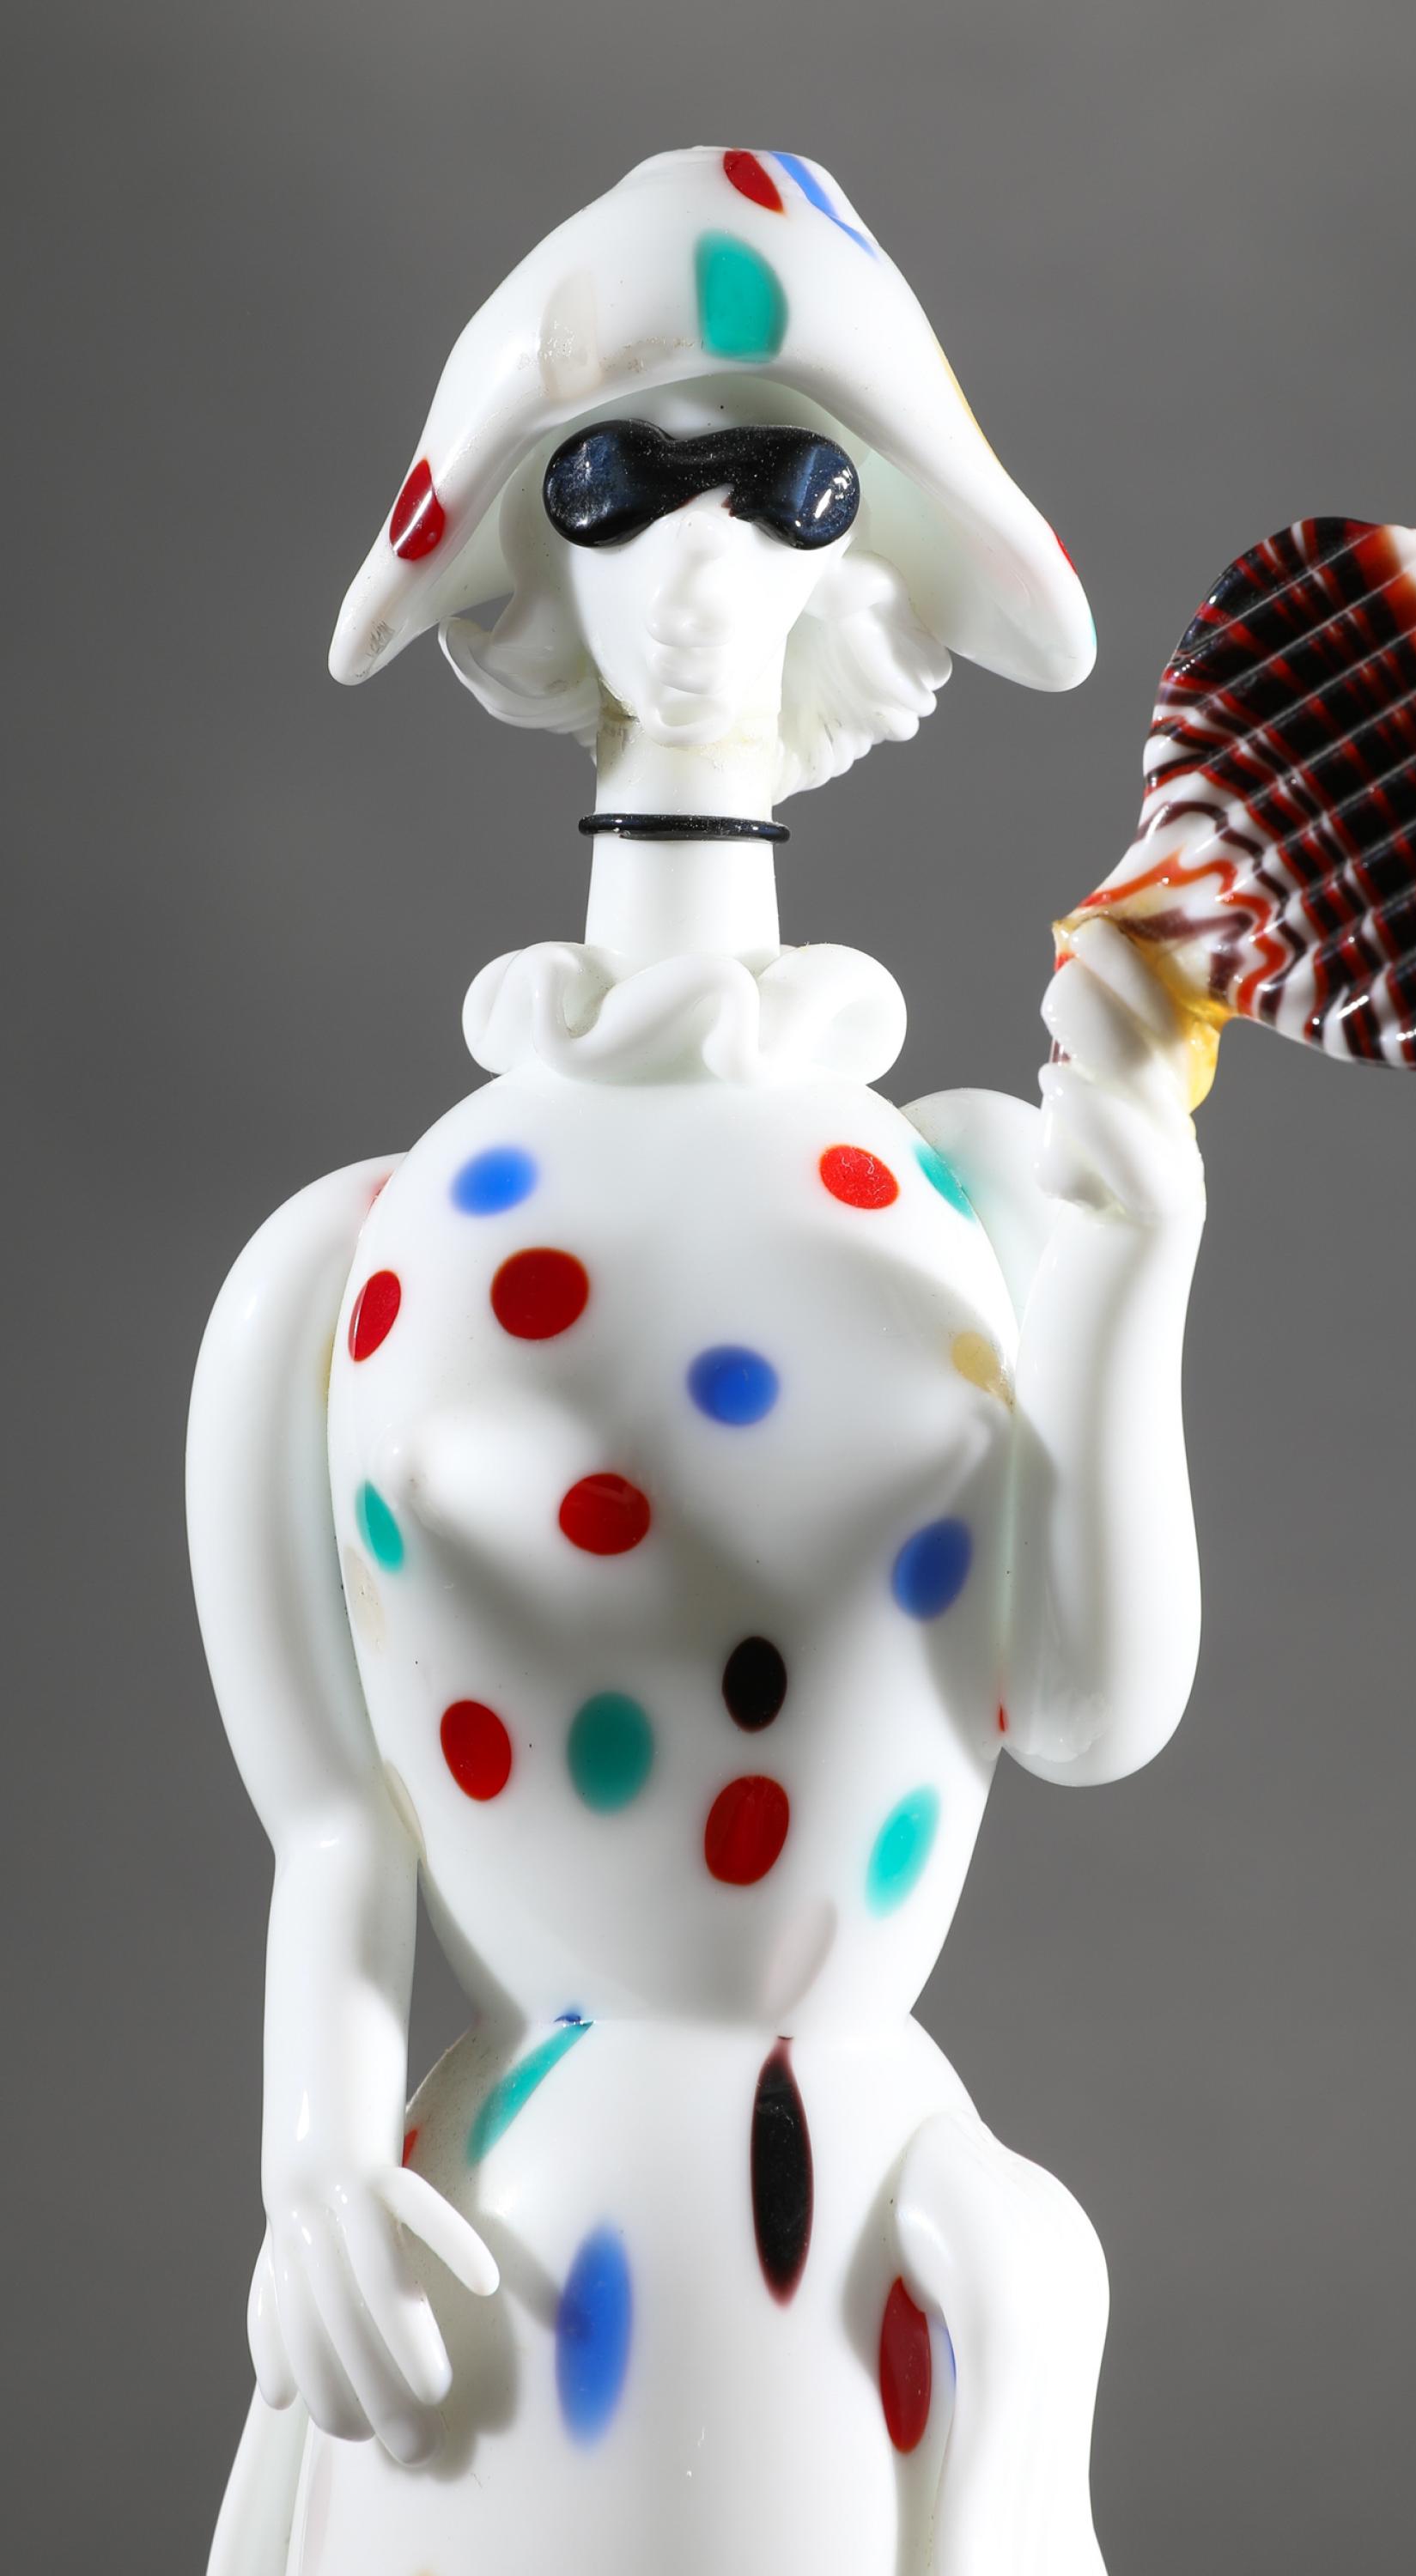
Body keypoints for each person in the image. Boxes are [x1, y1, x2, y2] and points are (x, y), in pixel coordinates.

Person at [191, 147, 1203, 2576]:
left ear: (875, 554)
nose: (703, 558)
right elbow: (334, 1832)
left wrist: (1140, 1255)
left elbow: (1088, 1709)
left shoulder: (974, 1193)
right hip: (519, 2251)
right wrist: (314, 2164)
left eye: (791, 483)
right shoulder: (349, 1266)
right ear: (522, 552)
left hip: (864, 2232)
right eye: (613, 484)